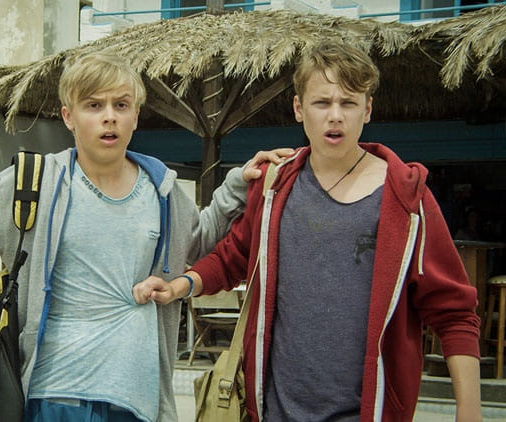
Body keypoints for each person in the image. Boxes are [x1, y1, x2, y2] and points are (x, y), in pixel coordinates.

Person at [0, 51, 291, 421]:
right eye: (94, 105)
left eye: (121, 105)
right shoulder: (33, 183)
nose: (109, 117)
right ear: (69, 116)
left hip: (137, 398)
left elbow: (200, 242)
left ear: (135, 116)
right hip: (56, 395)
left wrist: (237, 185)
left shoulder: (163, 191)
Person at [134, 43, 482, 421]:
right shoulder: (274, 185)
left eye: (348, 103)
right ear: (299, 109)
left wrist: (469, 411)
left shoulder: (407, 198)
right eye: (322, 103)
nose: (335, 116)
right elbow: (233, 257)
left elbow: (454, 312)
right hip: (274, 410)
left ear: (367, 109)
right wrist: (180, 286)